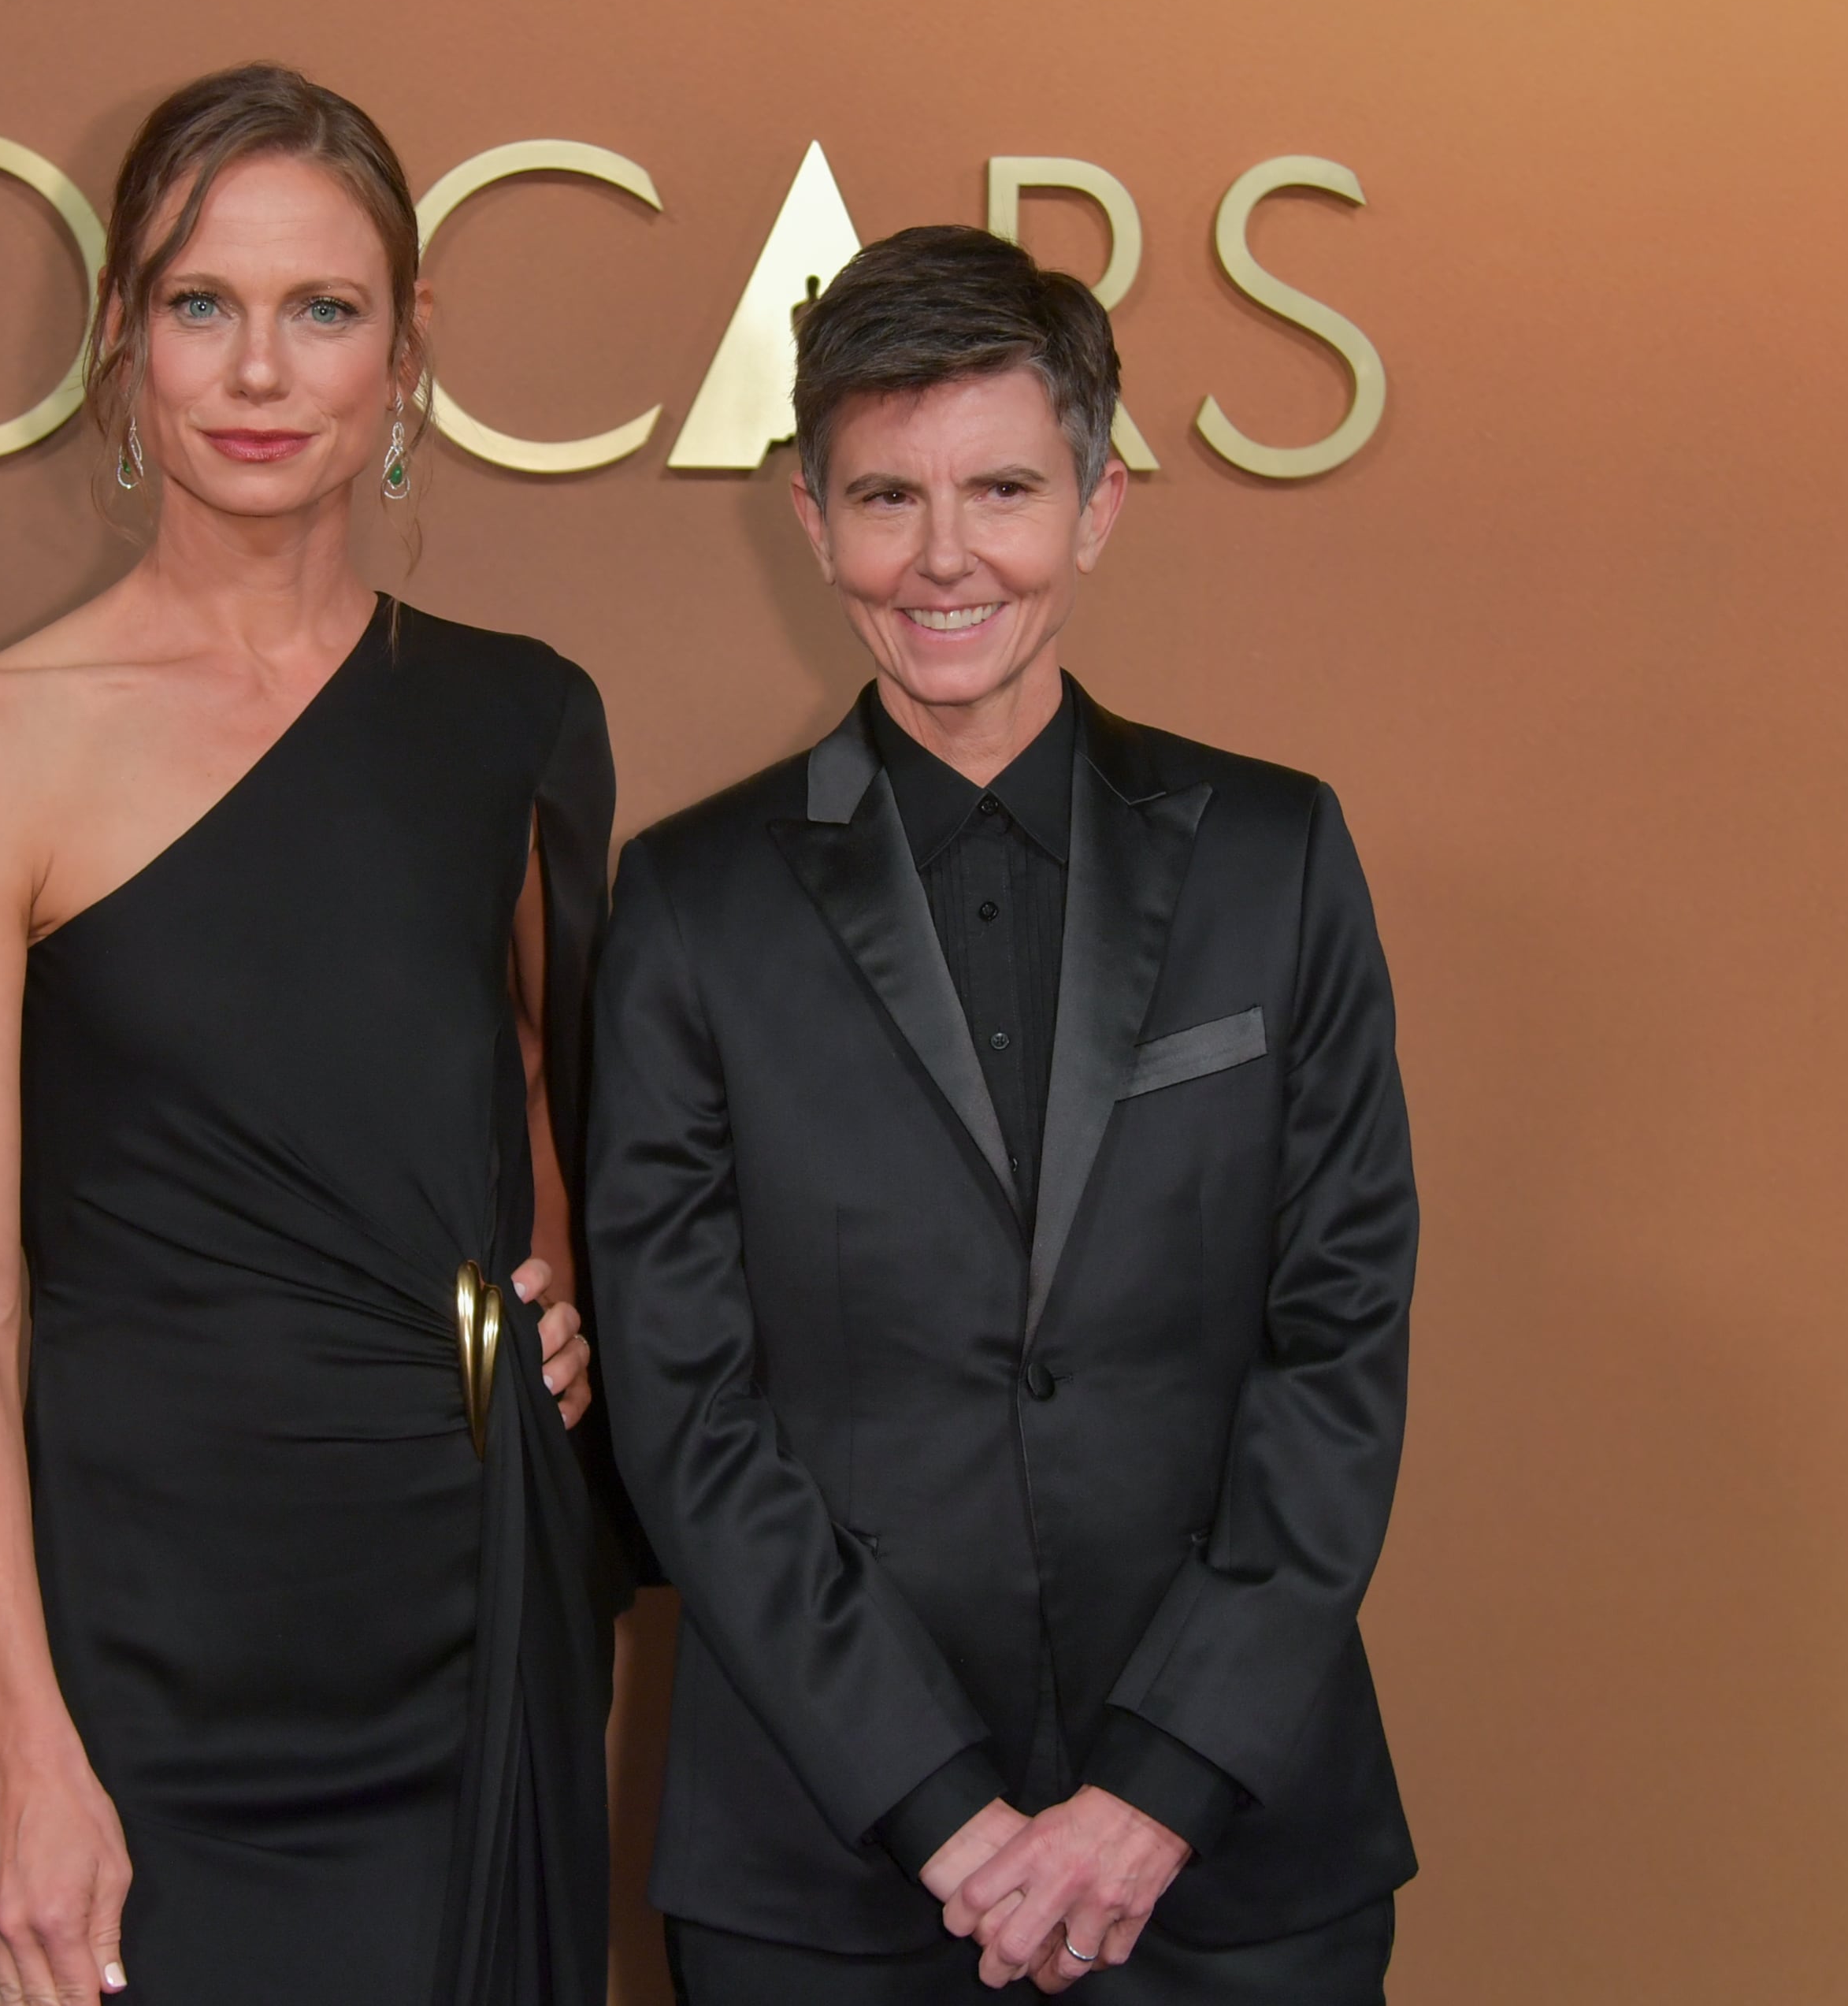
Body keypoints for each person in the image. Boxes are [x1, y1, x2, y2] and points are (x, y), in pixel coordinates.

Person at [588, 225, 1418, 2005]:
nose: (943, 554)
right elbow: (684, 1406)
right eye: (886, 496)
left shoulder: (1278, 858)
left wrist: (1156, 1785)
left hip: (1230, 1859)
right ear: (810, 520)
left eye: (1002, 488)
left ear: (1098, 502)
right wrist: (946, 1809)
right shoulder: (687, 902)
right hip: (830, 1865)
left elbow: (1338, 1345)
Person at [0, 63, 626, 2006]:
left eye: (323, 308)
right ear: (123, 338)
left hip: (462, 1622)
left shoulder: (517, 716)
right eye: (203, 305)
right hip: (143, 1670)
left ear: (408, 348)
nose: (260, 370)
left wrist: (551, 1295)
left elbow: (531, 1090)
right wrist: (28, 1740)